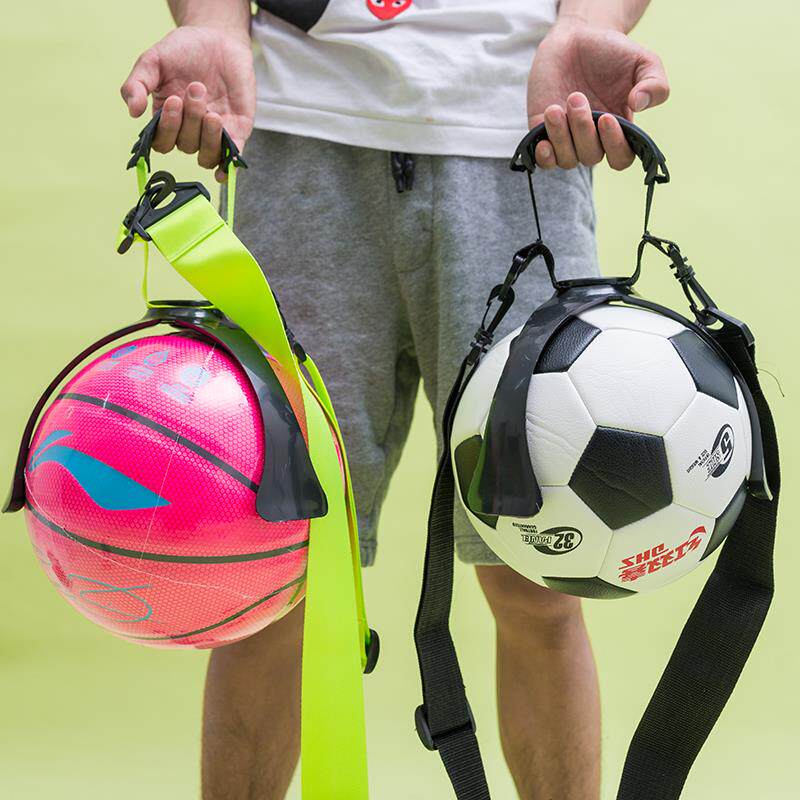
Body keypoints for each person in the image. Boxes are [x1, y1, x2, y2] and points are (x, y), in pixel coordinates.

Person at [121, 1, 669, 798]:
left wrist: (591, 22)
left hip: (520, 131)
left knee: (542, 566)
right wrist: (215, 25)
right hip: (300, 130)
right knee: (271, 570)